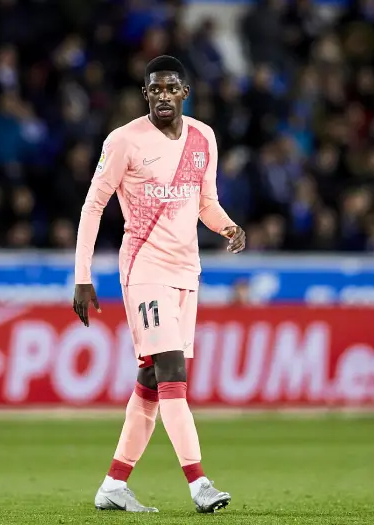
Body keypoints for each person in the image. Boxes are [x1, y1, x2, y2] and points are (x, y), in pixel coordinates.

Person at [72, 55, 246, 513]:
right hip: (144, 271)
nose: (163, 95)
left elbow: (205, 201)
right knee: (173, 375)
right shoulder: (125, 140)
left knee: (150, 381)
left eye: (171, 88)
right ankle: (199, 483)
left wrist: (228, 227)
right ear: (145, 94)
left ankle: (113, 485)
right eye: (155, 89)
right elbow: (93, 207)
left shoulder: (203, 137)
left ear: (184, 93)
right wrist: (83, 277)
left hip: (187, 273)